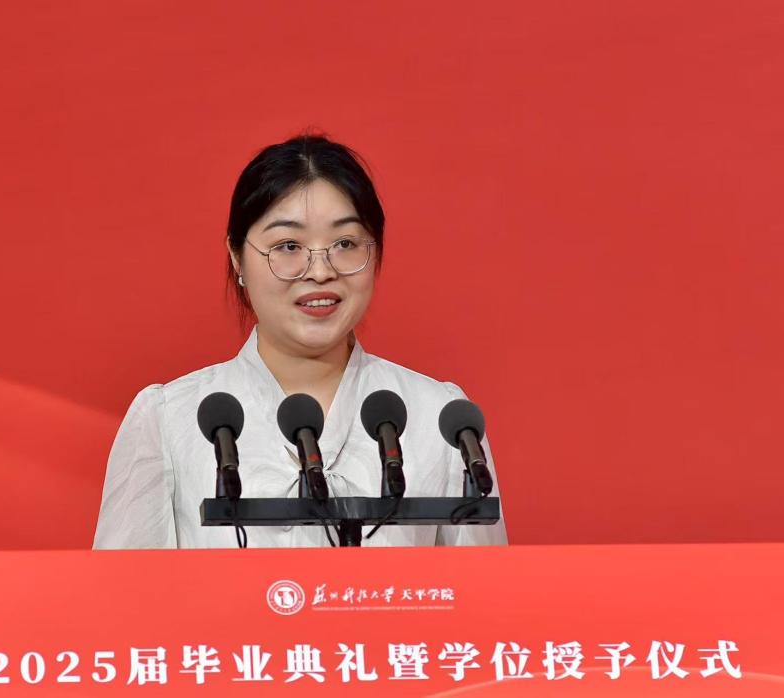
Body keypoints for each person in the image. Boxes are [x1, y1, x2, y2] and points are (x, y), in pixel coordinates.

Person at [93, 134, 507, 549]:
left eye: (345, 243)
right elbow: (125, 590)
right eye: (288, 246)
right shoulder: (169, 420)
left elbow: (484, 587)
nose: (320, 271)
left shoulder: (442, 419)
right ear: (237, 257)